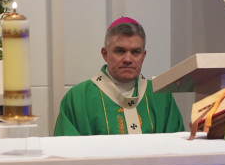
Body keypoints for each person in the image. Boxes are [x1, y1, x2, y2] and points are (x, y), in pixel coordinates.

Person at [53, 17, 184, 135]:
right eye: (120, 51)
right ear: (105, 54)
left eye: (135, 52)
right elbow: (66, 149)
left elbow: (177, 147)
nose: (127, 59)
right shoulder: (78, 98)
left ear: (143, 56)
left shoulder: (161, 95)